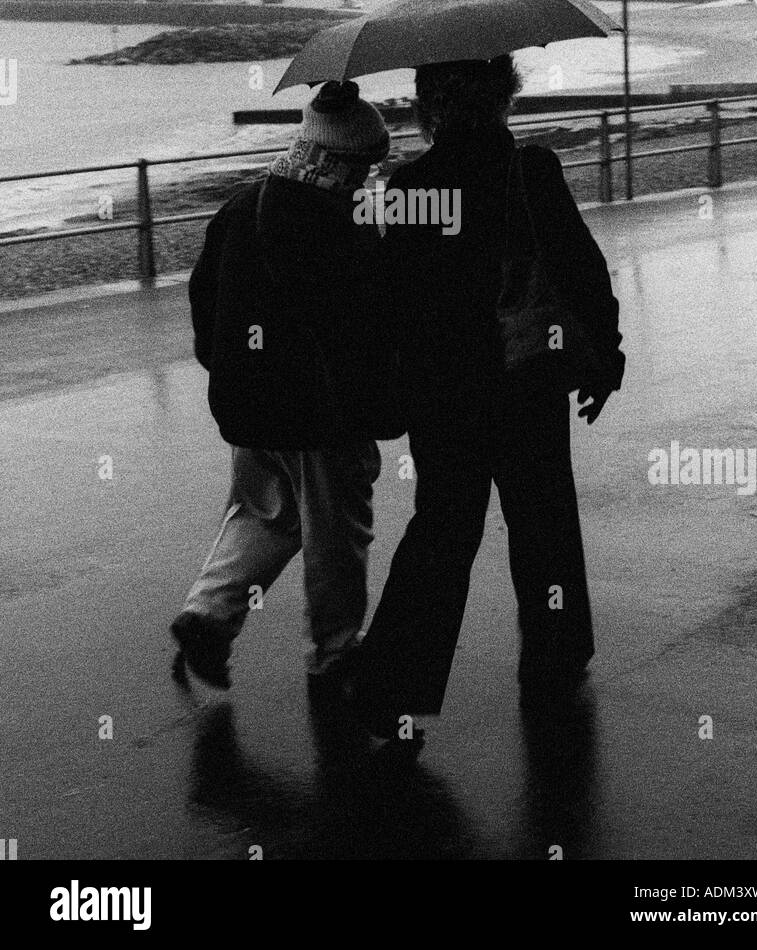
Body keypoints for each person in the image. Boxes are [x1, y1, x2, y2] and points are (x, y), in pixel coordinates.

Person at [353, 55, 625, 736]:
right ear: (507, 98)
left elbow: (385, 303)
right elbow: (581, 271)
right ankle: (555, 658)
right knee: (545, 524)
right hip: (528, 376)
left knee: (442, 531)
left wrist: (385, 390)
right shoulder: (531, 173)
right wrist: (604, 361)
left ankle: (394, 690)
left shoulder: (411, 185)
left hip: (444, 392)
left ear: (429, 107)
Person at [171, 80, 401, 700]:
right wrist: (383, 403)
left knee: (262, 512)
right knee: (337, 534)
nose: (367, 176)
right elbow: (362, 329)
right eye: (364, 165)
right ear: (342, 160)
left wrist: (227, 369)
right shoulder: (344, 224)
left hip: (249, 404)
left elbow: (204, 300)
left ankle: (208, 614)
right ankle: (333, 656)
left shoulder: (242, 207)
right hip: (322, 415)